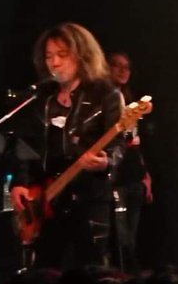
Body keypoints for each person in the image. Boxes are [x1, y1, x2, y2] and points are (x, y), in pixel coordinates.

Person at [10, 23, 123, 269]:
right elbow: (25, 145)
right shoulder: (42, 98)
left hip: (89, 199)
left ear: (82, 55)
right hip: (47, 200)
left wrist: (105, 162)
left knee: (89, 273)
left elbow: (117, 146)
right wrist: (19, 182)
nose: (55, 63)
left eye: (62, 55)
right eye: (49, 56)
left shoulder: (107, 94)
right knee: (44, 272)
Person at [107, 52, 151, 271]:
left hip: (134, 177)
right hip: (115, 178)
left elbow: (135, 143)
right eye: (117, 66)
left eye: (127, 67)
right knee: (120, 238)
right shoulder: (105, 100)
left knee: (130, 237)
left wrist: (145, 175)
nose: (123, 71)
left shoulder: (130, 101)